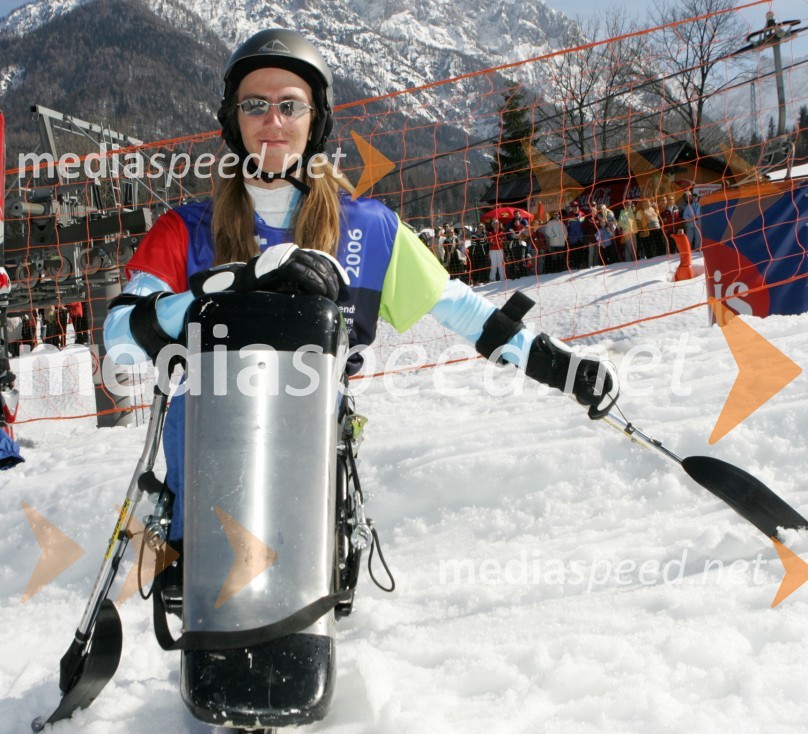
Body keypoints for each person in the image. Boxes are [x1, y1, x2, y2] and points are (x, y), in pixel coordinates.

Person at [103, 28, 619, 549]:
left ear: (316, 120)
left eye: (291, 105)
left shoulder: (368, 229)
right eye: (255, 103)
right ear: (232, 120)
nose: (273, 120)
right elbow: (120, 340)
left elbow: (461, 309)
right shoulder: (184, 230)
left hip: (309, 494)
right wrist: (227, 290)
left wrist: (557, 365)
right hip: (207, 501)